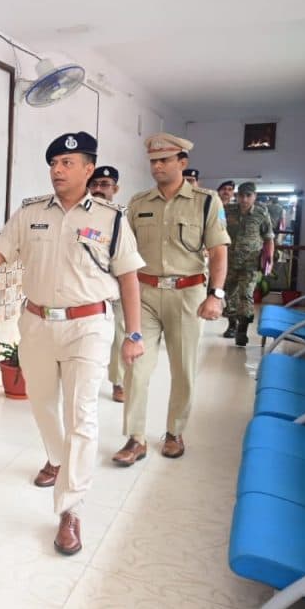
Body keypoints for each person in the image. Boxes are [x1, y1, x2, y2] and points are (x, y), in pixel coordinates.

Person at [0, 132, 144, 557]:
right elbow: (0, 250)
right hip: (38, 322)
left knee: (82, 415)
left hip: (88, 325)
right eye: (54, 163)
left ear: (88, 169)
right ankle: (58, 459)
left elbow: (129, 277)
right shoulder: (31, 212)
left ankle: (71, 509)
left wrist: (134, 334)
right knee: (41, 405)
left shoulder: (112, 219)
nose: (57, 170)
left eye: (67, 163)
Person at [113, 133, 230, 466]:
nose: (157, 166)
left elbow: (218, 251)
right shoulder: (139, 203)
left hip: (187, 295)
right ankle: (135, 438)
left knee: (183, 370)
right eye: (153, 161)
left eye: (164, 160)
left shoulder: (206, 202)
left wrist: (215, 295)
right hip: (144, 295)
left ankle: (174, 432)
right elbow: (124, 252)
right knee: (136, 367)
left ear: (182, 162)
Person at [87, 165, 126, 404]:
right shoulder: (81, 214)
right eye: (94, 184)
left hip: (117, 287)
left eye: (105, 185)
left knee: (119, 335)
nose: (98, 189)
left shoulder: (123, 217)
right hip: (88, 287)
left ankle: (118, 382)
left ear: (115, 189)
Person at [223, 182, 274, 346]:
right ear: (237, 196)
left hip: (250, 263)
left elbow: (268, 237)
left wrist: (269, 258)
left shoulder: (261, 213)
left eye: (248, 195)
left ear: (254, 196)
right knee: (229, 294)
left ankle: (242, 330)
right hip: (229, 262)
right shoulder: (227, 210)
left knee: (246, 295)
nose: (244, 199)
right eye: (241, 195)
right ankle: (232, 324)